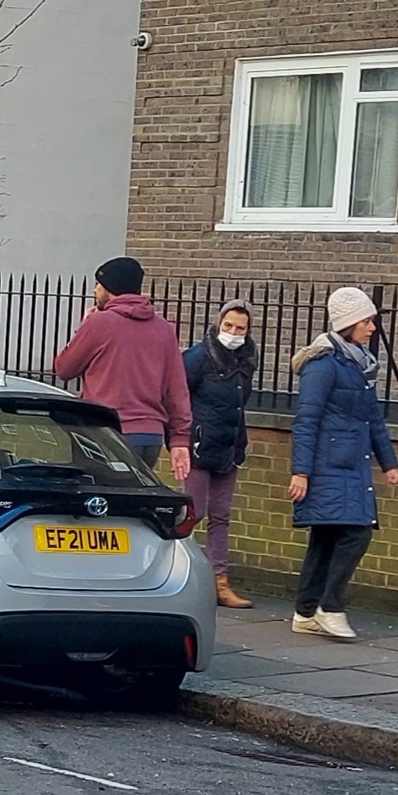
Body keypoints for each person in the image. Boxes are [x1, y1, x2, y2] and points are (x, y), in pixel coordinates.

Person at [288, 287, 398, 640]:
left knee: (326, 537)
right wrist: (301, 471)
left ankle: (305, 612)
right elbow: (307, 419)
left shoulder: (358, 364)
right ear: (349, 323)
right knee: (356, 533)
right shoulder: (323, 366)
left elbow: (372, 420)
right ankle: (330, 608)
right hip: (328, 465)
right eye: (367, 321)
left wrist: (389, 462)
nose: (372, 328)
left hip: (350, 464)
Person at [52, 256, 192, 479]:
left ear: (111, 287)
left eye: (98, 284)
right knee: (133, 505)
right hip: (150, 437)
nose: (95, 290)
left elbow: (64, 368)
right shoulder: (164, 329)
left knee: (99, 505)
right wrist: (179, 439)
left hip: (107, 433)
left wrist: (84, 326)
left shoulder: (99, 323)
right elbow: (176, 390)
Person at [182, 299, 257, 607]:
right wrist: (180, 438)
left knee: (221, 516)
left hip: (230, 447)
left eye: (240, 327)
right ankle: (185, 577)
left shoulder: (246, 358)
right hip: (199, 445)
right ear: (218, 323)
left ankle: (219, 582)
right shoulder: (199, 356)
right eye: (228, 325)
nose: (233, 332)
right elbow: (176, 395)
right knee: (192, 513)